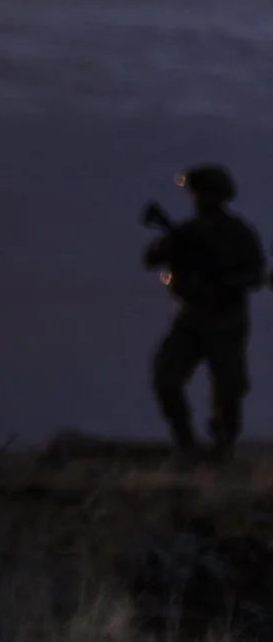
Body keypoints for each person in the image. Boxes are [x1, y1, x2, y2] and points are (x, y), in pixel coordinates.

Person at [145, 164, 267, 459]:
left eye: (202, 193)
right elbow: (151, 258)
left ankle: (223, 448)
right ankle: (186, 443)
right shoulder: (187, 232)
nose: (197, 199)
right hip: (192, 317)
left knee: (228, 388)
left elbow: (256, 274)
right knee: (166, 376)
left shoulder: (238, 233)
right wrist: (173, 249)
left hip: (226, 319)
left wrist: (225, 282)